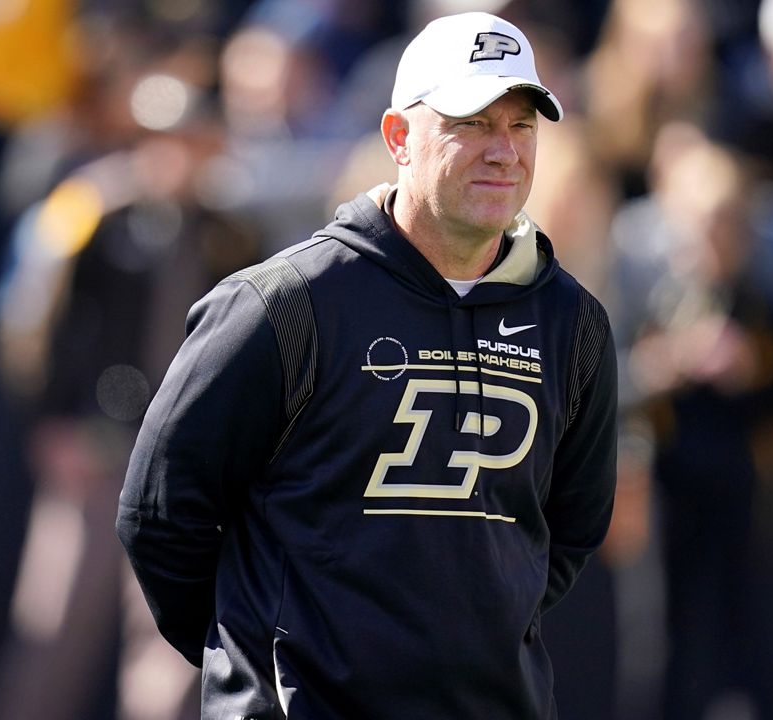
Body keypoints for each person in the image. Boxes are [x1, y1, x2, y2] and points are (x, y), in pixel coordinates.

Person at [117, 12, 618, 718]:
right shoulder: (283, 305)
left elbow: (567, 534)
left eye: (521, 126)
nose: (503, 151)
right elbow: (161, 515)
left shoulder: (572, 324)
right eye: (471, 124)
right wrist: (259, 656)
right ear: (398, 138)